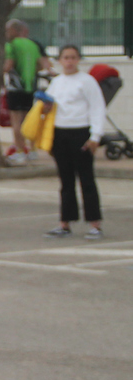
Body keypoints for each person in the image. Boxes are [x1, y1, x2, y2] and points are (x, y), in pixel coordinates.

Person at [42, 44, 107, 240]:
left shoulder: (87, 81)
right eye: (66, 58)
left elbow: (97, 108)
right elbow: (49, 108)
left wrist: (95, 136)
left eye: (73, 57)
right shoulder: (56, 82)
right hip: (60, 133)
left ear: (78, 60)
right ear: (59, 61)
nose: (69, 61)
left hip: (81, 133)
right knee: (66, 180)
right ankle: (65, 223)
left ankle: (94, 224)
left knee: (86, 179)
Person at [3, 19, 52, 162]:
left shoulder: (11, 45)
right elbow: (42, 65)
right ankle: (33, 150)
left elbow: (8, 65)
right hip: (31, 88)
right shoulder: (33, 45)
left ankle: (20, 152)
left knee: (16, 122)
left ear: (14, 30)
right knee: (30, 120)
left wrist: (0, 71)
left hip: (16, 88)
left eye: (7, 30)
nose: (6, 33)